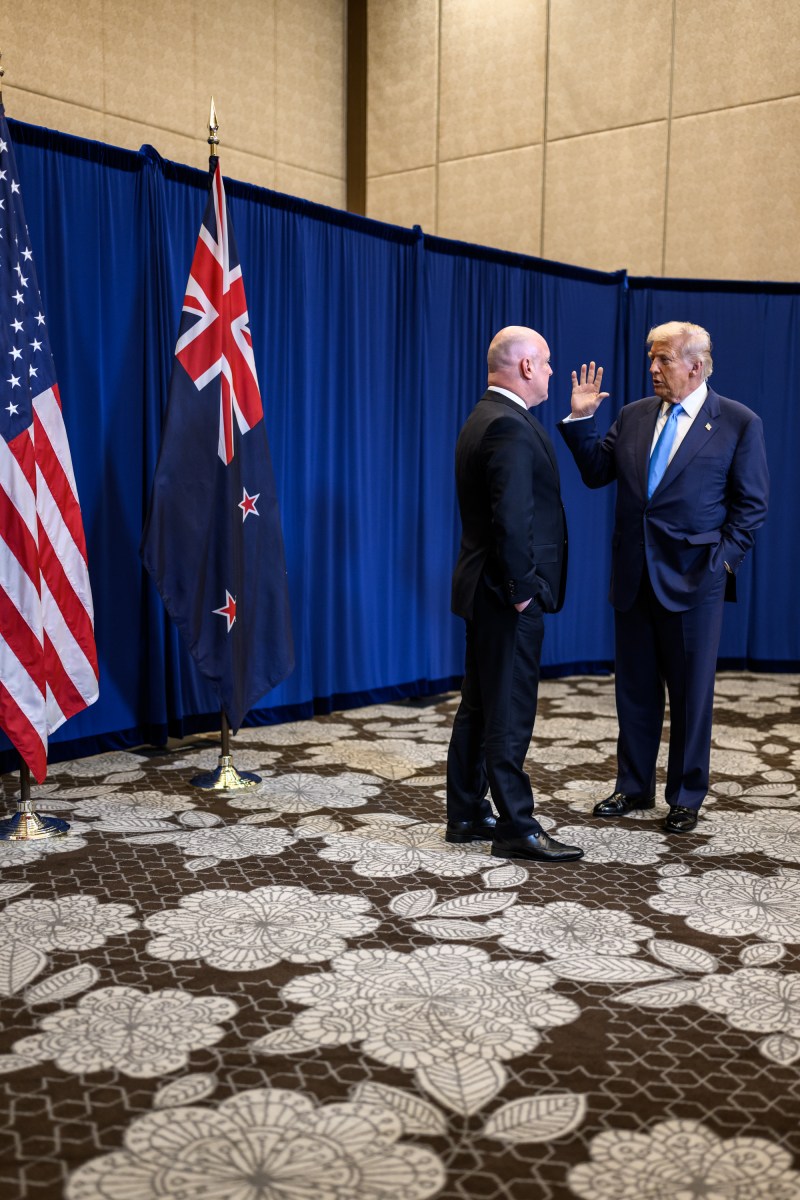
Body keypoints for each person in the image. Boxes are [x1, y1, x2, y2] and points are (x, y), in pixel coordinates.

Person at [558, 321, 769, 833]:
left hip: (696, 580)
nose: (652, 368)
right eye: (651, 358)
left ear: (695, 366)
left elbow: (752, 506)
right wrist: (581, 420)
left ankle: (686, 796)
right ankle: (633, 786)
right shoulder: (633, 415)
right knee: (634, 691)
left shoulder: (738, 422)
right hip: (634, 576)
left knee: (691, 696)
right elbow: (596, 473)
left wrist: (722, 563)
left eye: (663, 359)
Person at [446, 326, 584, 863]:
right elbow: (511, 519)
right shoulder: (508, 424)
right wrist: (523, 591)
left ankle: (465, 811)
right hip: (506, 595)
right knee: (508, 710)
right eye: (546, 362)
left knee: (480, 703)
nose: (550, 371)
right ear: (526, 366)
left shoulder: (484, 415)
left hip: (484, 588)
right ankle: (516, 826)